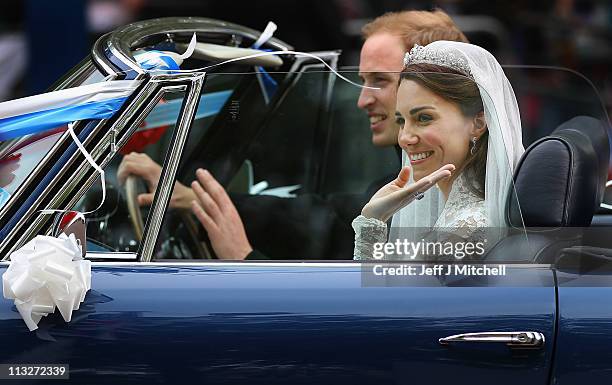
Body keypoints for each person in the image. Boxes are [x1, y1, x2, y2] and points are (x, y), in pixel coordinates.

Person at [118, 10, 469, 259]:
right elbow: (325, 216)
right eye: (362, 81)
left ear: (428, 88)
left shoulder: (457, 200)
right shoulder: (397, 179)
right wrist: (190, 199)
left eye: (379, 80)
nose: (362, 100)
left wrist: (245, 260)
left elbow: (355, 315)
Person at [352, 41, 524, 260]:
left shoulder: (464, 231)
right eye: (401, 121)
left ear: (478, 123)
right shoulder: (458, 219)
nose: (405, 138)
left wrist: (371, 225)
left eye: (424, 118)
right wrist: (374, 216)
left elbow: (375, 294)